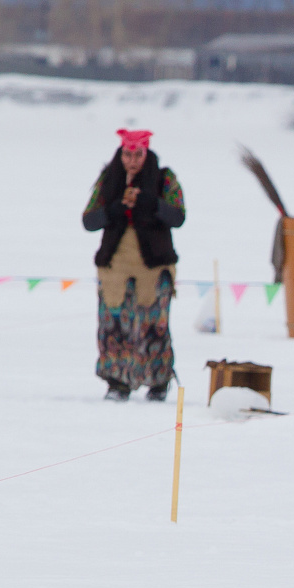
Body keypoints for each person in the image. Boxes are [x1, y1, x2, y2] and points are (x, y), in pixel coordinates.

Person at [81, 129, 185, 402]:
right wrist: (115, 209)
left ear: (146, 153)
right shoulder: (109, 179)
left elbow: (178, 216)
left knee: (153, 326)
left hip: (154, 266)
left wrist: (150, 203)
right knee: (114, 325)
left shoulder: (164, 178)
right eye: (127, 154)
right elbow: (89, 220)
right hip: (116, 265)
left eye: (138, 154)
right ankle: (117, 382)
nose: (132, 161)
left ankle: (158, 381)